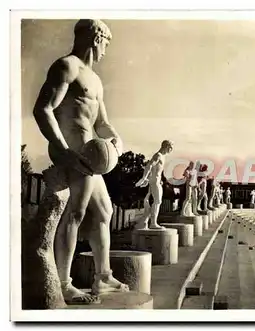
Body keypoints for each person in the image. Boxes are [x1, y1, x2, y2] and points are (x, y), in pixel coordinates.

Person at [32, 19, 129, 304]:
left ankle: (103, 275)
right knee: (75, 213)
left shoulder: (96, 80)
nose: (106, 50)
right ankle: (64, 283)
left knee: (104, 212)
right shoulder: (67, 66)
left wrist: (116, 138)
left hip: (91, 155)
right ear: (96, 38)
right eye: (106, 43)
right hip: (73, 151)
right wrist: (62, 149)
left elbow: (102, 122)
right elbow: (43, 109)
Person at [135, 140, 173, 229]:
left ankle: (145, 221)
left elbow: (156, 169)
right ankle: (153, 223)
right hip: (154, 181)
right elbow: (149, 165)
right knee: (157, 201)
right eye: (170, 148)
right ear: (167, 147)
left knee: (153, 201)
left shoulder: (162, 156)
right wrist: (144, 178)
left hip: (156, 180)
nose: (171, 150)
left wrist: (160, 180)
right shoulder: (158, 155)